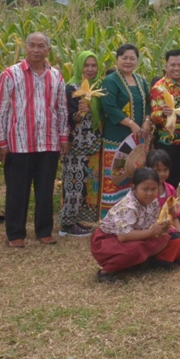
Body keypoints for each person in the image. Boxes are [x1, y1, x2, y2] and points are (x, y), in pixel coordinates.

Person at [0, 33, 69, 248]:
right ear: (25, 47)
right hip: (19, 143)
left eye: (41, 46)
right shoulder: (10, 74)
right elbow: (0, 110)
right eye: (32, 45)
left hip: (49, 142)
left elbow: (62, 109)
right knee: (17, 190)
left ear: (48, 50)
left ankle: (44, 230)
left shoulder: (56, 76)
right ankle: (15, 233)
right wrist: (1, 143)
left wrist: (63, 137)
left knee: (45, 189)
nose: (36, 50)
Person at [90, 167, 180, 283]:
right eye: (145, 189)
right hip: (108, 241)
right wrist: (152, 232)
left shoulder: (152, 202)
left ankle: (142, 262)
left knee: (171, 237)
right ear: (134, 188)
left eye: (153, 189)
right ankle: (106, 272)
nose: (149, 193)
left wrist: (169, 215)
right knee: (135, 249)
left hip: (137, 236)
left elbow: (152, 224)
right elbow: (123, 236)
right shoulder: (129, 206)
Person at [99, 44, 151, 219]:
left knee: (133, 176)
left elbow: (149, 104)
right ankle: (111, 217)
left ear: (137, 60)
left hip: (138, 140)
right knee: (116, 177)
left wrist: (146, 121)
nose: (128, 61)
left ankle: (132, 215)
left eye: (132, 58)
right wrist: (131, 124)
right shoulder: (110, 81)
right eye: (124, 57)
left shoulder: (141, 80)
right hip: (116, 138)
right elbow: (110, 107)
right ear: (117, 59)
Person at [59, 50, 101, 237]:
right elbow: (66, 118)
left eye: (93, 65)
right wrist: (79, 113)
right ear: (79, 66)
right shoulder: (71, 88)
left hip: (93, 143)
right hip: (75, 144)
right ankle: (67, 224)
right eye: (86, 65)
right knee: (73, 183)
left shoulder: (96, 88)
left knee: (87, 183)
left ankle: (81, 219)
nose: (90, 69)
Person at [150, 50, 180, 206]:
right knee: (165, 180)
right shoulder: (159, 87)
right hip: (167, 143)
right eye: (173, 65)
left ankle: (174, 210)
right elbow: (153, 116)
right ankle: (160, 212)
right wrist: (163, 113)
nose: (177, 68)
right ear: (166, 66)